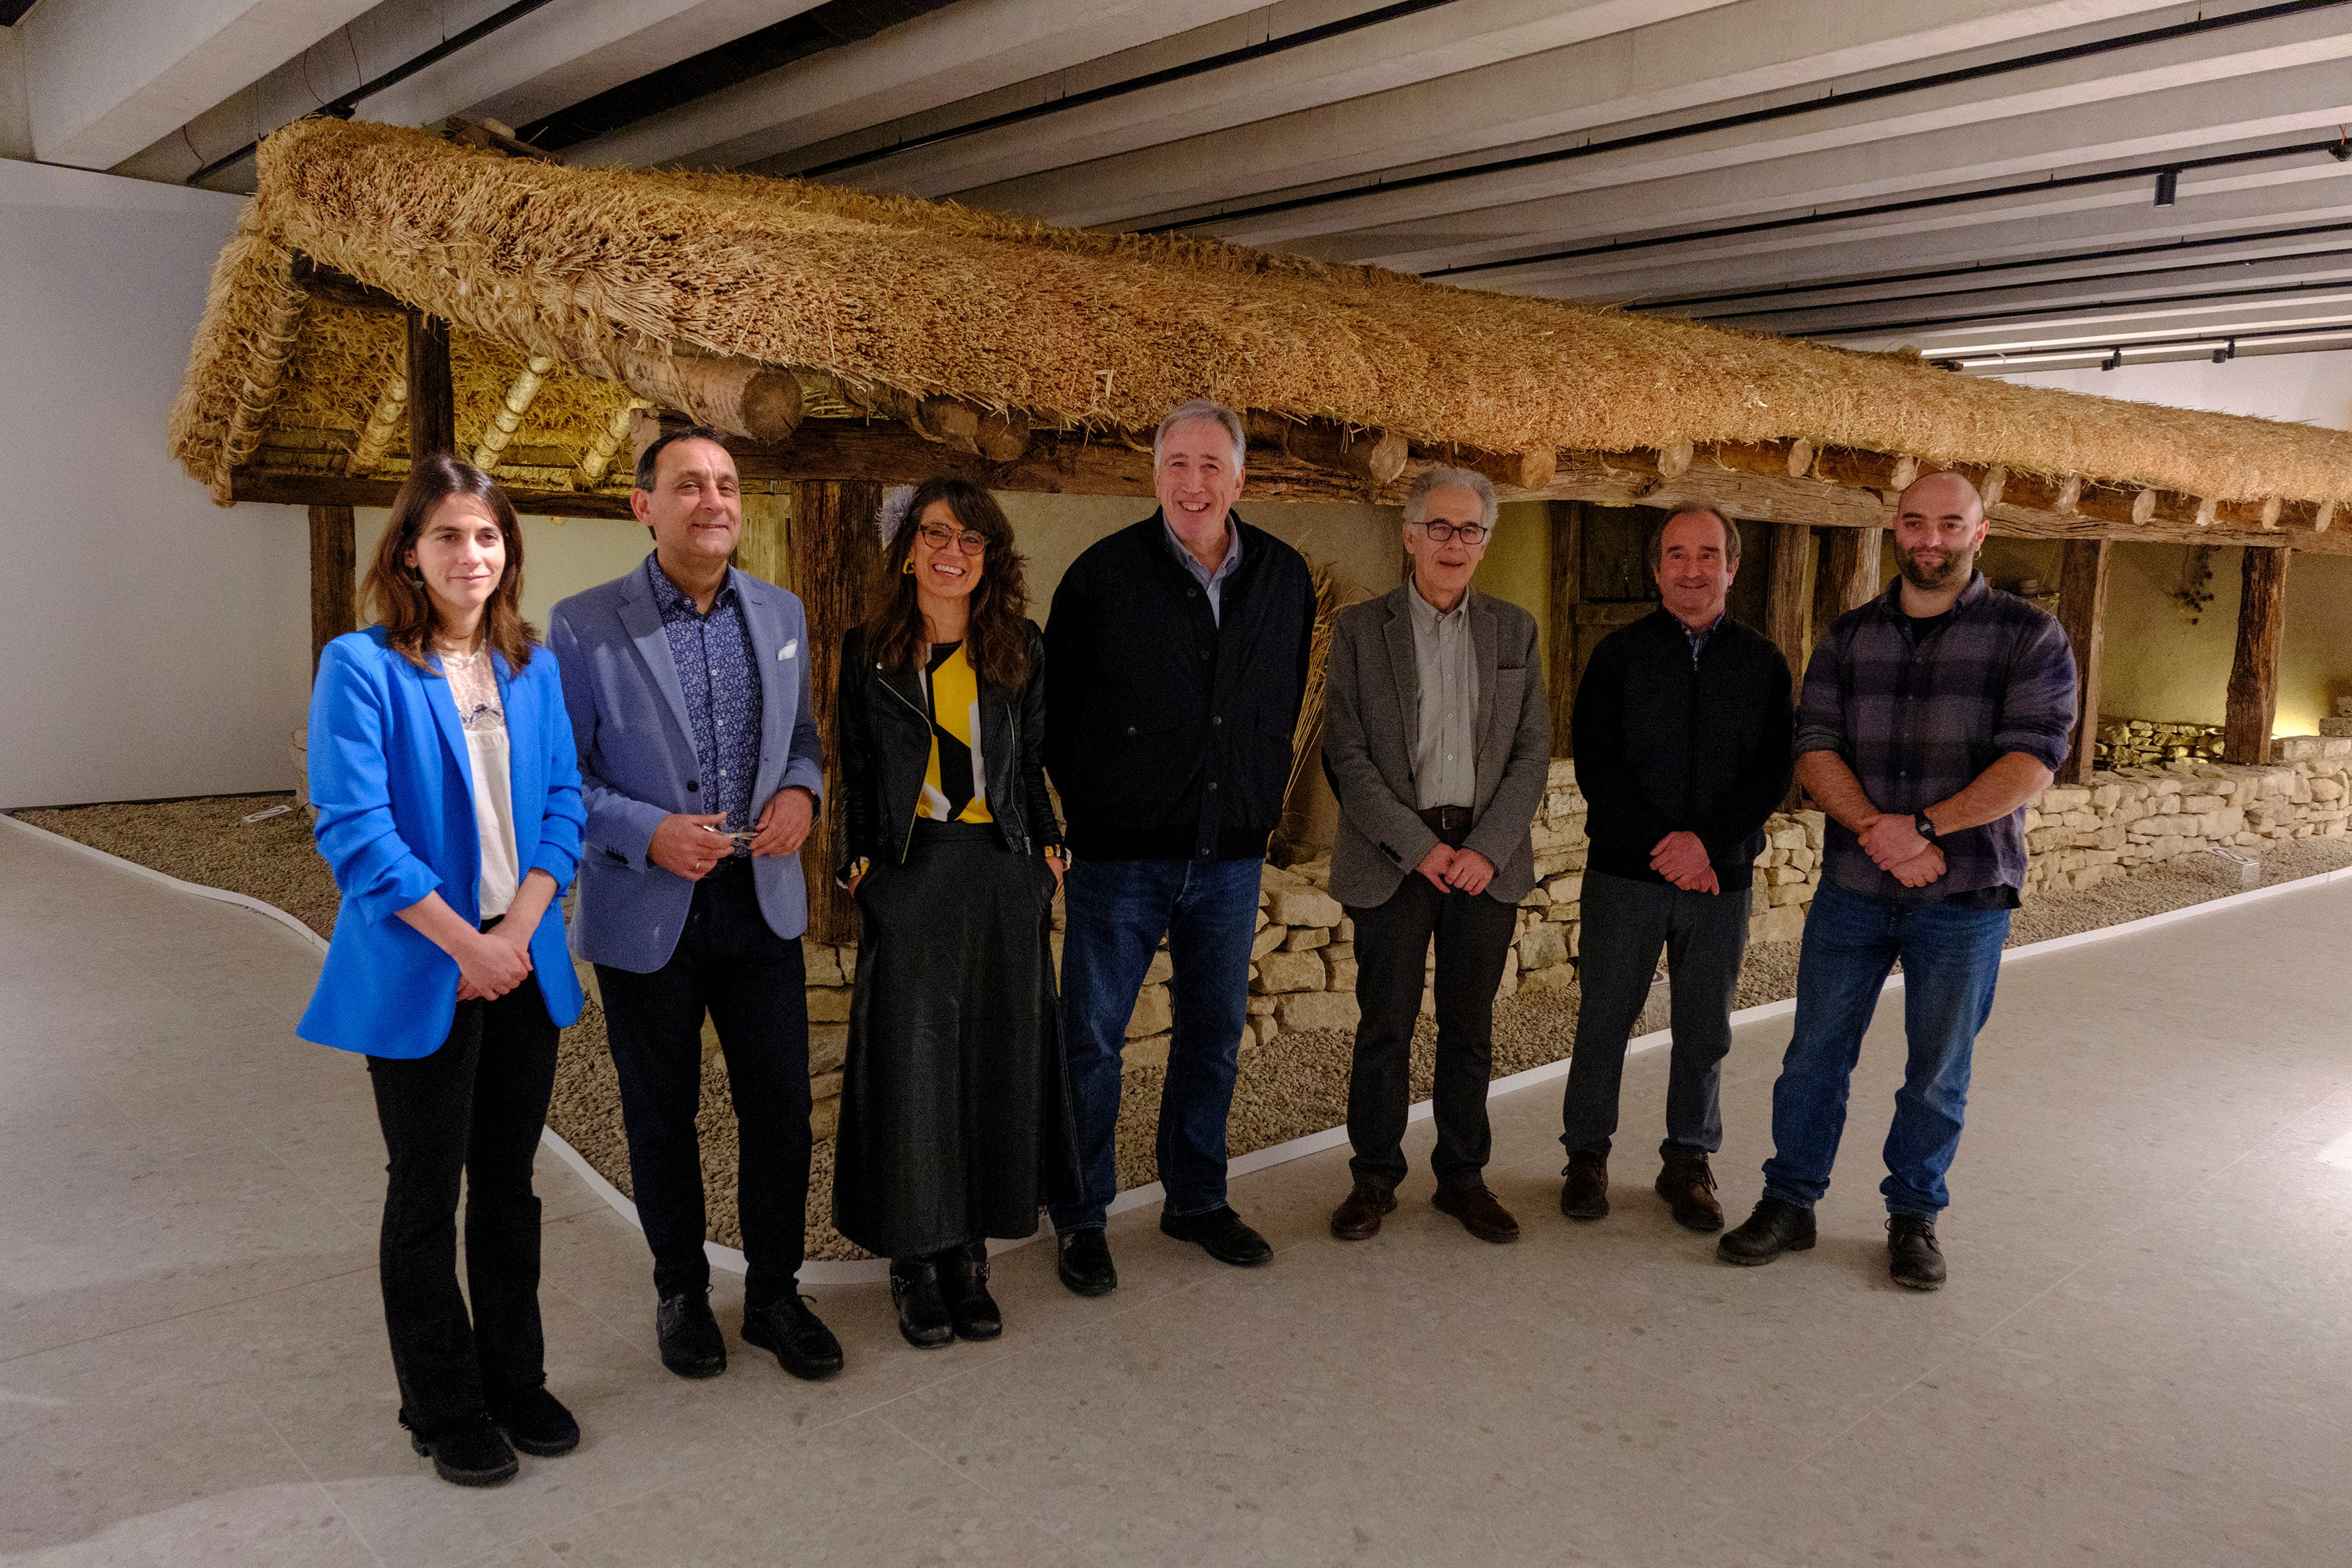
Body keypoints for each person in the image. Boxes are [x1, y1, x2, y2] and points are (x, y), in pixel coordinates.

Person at [301, 454, 587, 1488]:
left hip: (520, 957)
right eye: (449, 535)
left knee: (508, 1186)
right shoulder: (360, 665)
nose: (471, 553)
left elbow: (564, 803)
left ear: (508, 551)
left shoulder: (533, 666)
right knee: (425, 1193)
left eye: (487, 535)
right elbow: (355, 830)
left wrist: (516, 931)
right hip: (427, 963)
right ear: (409, 553)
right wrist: (468, 945)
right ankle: (442, 1402)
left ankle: (516, 1379)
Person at [1719, 472, 2076, 1290]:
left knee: (1937, 1070)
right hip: (1855, 888)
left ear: (1981, 531)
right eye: (1915, 523)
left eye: (1950, 523)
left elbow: (2033, 758)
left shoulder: (2030, 636)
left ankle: (1914, 1215)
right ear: (1896, 529)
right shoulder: (1848, 637)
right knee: (1813, 1056)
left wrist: (1921, 828)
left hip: (1965, 895)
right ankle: (1790, 1201)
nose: (1930, 539)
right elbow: (1815, 746)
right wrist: (1883, 835)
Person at [548, 426, 842, 1379]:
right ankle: (680, 1289)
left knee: (780, 1110)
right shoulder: (583, 625)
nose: (714, 500)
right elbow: (562, 777)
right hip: (647, 909)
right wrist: (649, 832)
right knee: (659, 1111)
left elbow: (802, 740)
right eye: (689, 485)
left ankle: (773, 1294)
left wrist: (800, 794)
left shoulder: (782, 612)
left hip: (760, 903)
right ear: (644, 506)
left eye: (726, 484)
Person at [1043, 398, 1317, 1293]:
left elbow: (1278, 696)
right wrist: (1102, 805)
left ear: (1239, 478)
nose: (1192, 484)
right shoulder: (1099, 576)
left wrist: (1254, 794)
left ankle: (1195, 1197)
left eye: (1210, 466)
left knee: (1213, 1034)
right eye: (1176, 465)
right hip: (1118, 857)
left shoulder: (1282, 575)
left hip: (1230, 854)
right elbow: (1054, 717)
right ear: (1153, 474)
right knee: (1091, 1040)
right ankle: (1081, 1214)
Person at [832, 477, 1077, 1347]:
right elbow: (856, 774)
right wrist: (861, 874)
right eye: (936, 534)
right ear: (908, 549)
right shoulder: (868, 651)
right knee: (914, 1071)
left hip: (1000, 877)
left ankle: (968, 1256)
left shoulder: (1020, 646)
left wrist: (1048, 858)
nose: (952, 552)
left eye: (971, 539)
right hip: (913, 874)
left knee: (991, 1068)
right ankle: (914, 1256)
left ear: (990, 556)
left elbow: (1031, 764)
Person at [1322, 467, 1550, 1244]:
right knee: (1383, 1025)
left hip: (1486, 857)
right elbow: (1346, 753)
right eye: (1440, 527)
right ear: (1411, 535)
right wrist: (1420, 847)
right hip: (1393, 855)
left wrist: (1486, 848)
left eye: (1470, 530)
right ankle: (1373, 1178)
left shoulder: (1515, 630)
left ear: (1485, 543)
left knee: (1469, 1028)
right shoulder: (1360, 630)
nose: (1455, 543)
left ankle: (1463, 1177)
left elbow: (1532, 749)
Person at [1559, 507, 1793, 1233]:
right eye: (1677, 554)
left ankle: (1688, 1159)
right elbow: (1598, 766)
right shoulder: (1617, 656)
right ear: (1657, 569)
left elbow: (1772, 771)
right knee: (1603, 1019)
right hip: (1625, 874)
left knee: (1704, 1027)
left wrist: (1705, 846)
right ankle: (1586, 1155)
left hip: (1720, 878)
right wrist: (1667, 846)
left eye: (1708, 554)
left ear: (1733, 567)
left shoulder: (1763, 662)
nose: (1693, 569)